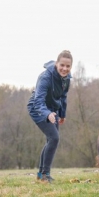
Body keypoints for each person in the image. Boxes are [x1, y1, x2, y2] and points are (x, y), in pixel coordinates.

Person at [27, 50, 73, 183]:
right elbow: (38, 101)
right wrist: (47, 114)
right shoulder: (46, 77)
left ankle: (41, 175)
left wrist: (62, 114)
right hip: (37, 108)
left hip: (53, 109)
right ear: (56, 64)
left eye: (68, 66)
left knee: (51, 140)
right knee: (54, 138)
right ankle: (45, 174)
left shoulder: (67, 78)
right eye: (62, 65)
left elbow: (63, 96)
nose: (64, 69)